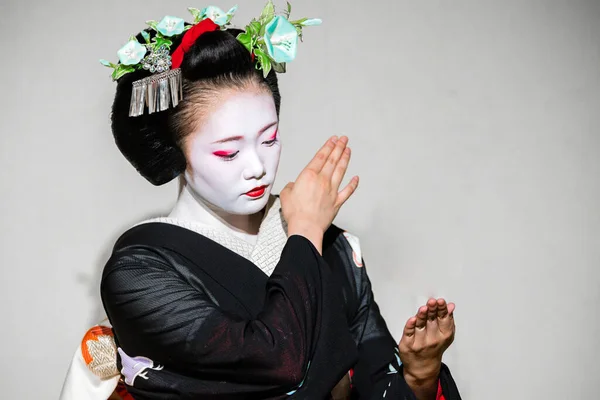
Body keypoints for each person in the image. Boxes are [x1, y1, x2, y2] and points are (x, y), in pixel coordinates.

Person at [60, 3, 461, 399]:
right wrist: (304, 231)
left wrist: (420, 376)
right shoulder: (140, 270)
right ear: (175, 153)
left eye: (269, 139)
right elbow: (276, 363)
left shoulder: (335, 246)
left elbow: (374, 384)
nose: (258, 167)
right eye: (228, 152)